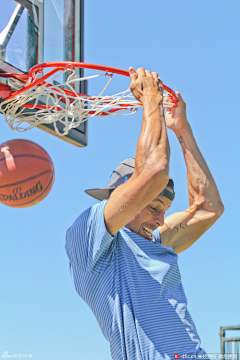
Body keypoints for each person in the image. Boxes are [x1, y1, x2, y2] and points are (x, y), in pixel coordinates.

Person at [65, 67, 224, 359]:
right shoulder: (88, 237)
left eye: (164, 209)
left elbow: (208, 208)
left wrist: (182, 129)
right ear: (121, 196)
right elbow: (154, 170)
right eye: (153, 206)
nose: (161, 219)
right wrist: (151, 100)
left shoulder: (155, 243)